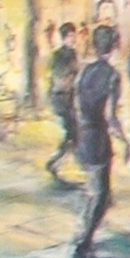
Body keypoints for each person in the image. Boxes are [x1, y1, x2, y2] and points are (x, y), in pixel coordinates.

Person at [68, 24, 126, 258]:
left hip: (83, 133)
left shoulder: (84, 71)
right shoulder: (112, 75)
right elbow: (111, 116)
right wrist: (125, 140)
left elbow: (76, 105)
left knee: (95, 191)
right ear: (113, 46)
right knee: (102, 195)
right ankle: (82, 245)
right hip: (99, 137)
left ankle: (84, 240)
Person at [43, 22, 81, 181]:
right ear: (64, 37)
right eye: (71, 36)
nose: (74, 38)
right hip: (60, 98)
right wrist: (72, 79)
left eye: (74, 35)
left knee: (74, 132)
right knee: (73, 132)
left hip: (69, 98)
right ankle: (56, 161)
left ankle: (59, 161)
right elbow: (59, 78)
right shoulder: (58, 55)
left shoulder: (73, 53)